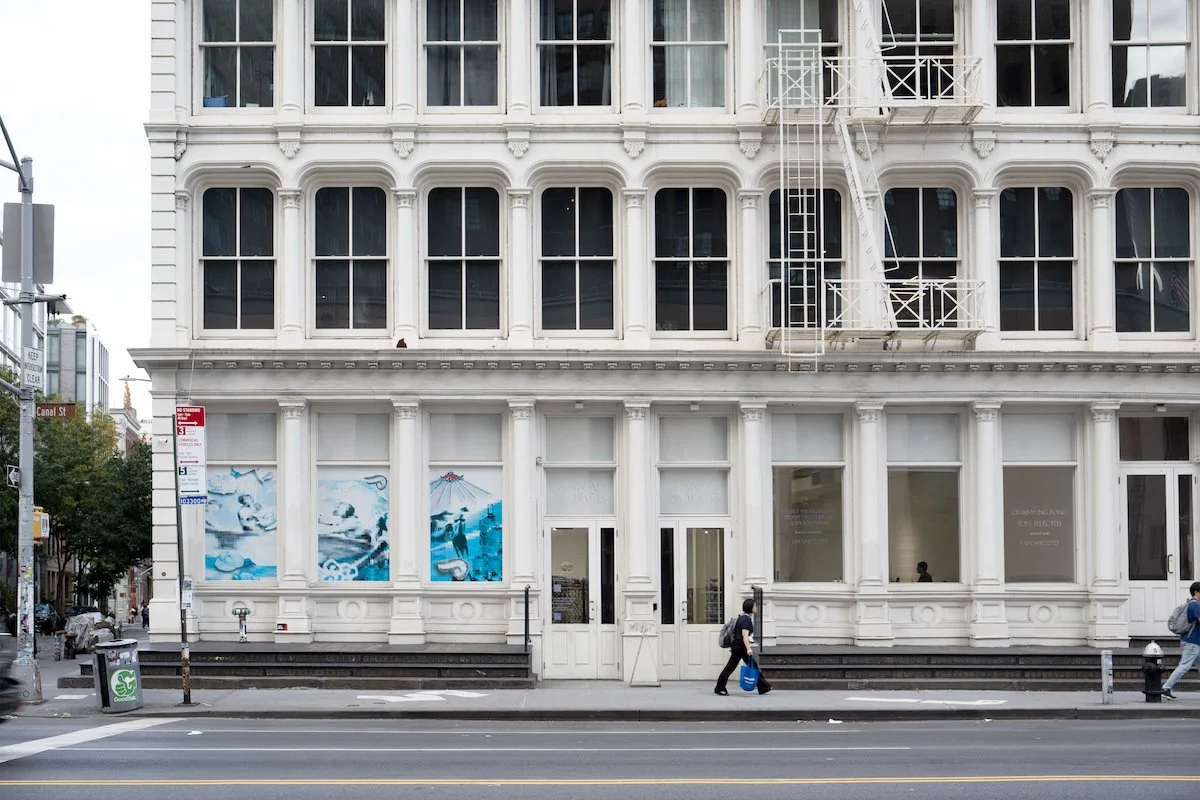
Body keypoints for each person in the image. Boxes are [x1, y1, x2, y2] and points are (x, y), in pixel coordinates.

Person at [714, 598, 771, 696]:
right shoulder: (746, 619)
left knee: (752, 665)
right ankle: (719, 687)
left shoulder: (743, 617)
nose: (756, 608)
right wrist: (749, 648)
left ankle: (763, 686)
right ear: (750, 607)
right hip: (740, 647)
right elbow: (745, 635)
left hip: (738, 646)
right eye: (755, 606)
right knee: (730, 667)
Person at [1162, 581, 1200, 700]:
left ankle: (1166, 688)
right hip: (1193, 642)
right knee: (1184, 666)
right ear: (1196, 592)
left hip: (1192, 641)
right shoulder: (1195, 605)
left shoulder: (1190, 604)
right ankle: (1165, 688)